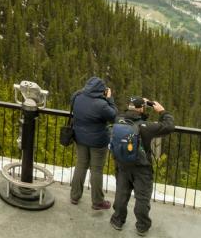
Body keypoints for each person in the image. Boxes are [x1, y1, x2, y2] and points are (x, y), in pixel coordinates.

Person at [110, 97, 175, 236]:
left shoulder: (118, 119)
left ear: (129, 106)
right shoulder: (145, 127)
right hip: (141, 168)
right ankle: (142, 226)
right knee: (142, 198)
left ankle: (117, 220)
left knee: (121, 194)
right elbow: (169, 126)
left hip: (122, 164)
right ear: (141, 109)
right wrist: (162, 111)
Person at [69, 76, 117, 209]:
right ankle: (97, 202)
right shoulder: (101, 105)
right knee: (96, 170)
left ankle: (74, 196)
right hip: (98, 142)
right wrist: (109, 99)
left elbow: (72, 103)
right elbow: (114, 116)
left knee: (81, 165)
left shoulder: (77, 97)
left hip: (80, 138)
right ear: (101, 90)